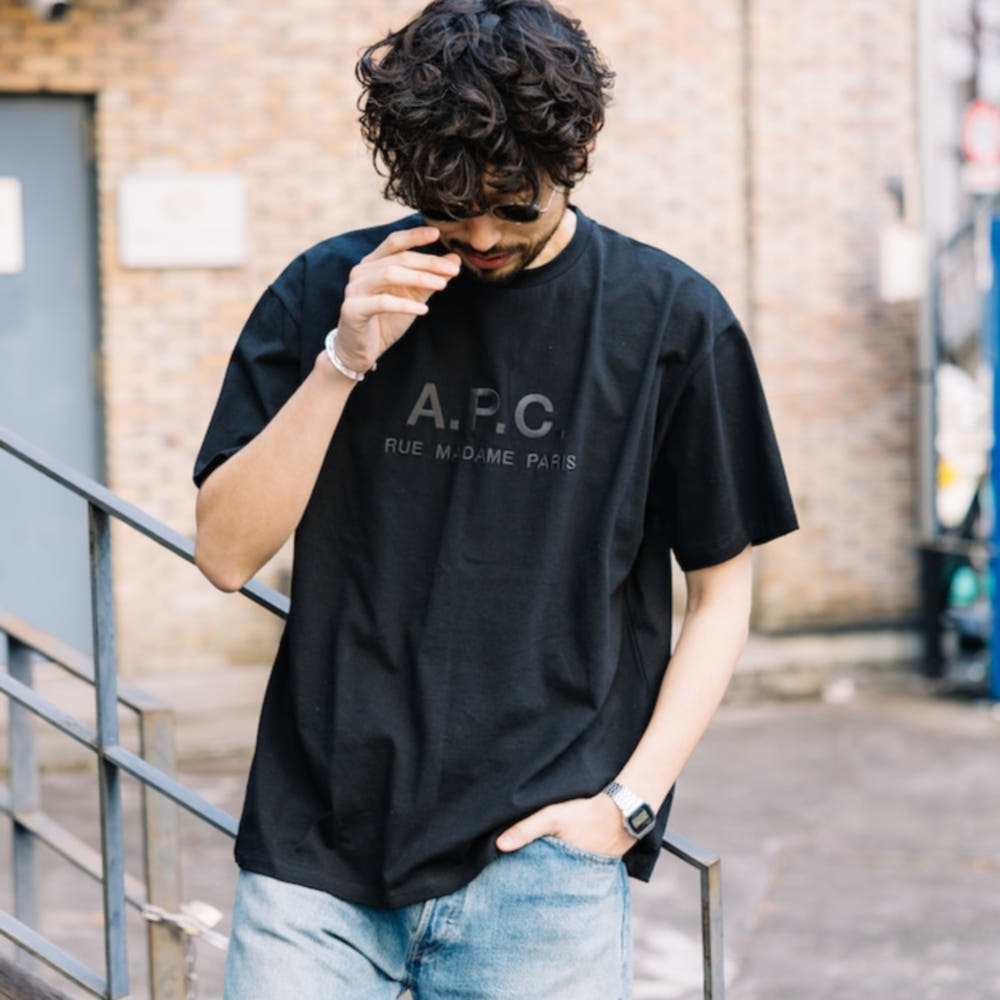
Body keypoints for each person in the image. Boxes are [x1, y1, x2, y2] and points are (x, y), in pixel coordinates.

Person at [193, 1, 798, 997]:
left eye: (513, 207)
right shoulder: (326, 289)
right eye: (451, 204)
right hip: (316, 860)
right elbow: (224, 555)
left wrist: (629, 806)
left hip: (543, 874)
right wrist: (342, 361)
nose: (479, 237)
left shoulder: (670, 322)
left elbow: (723, 592)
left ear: (580, 150)